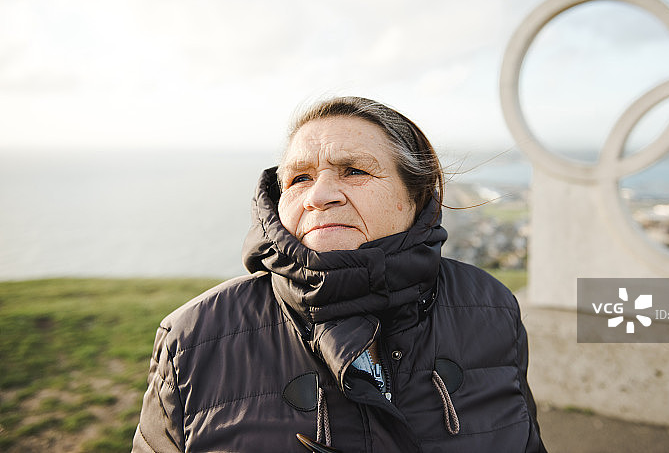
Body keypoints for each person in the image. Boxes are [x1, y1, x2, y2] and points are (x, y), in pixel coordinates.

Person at [132, 96, 547, 452]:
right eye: (299, 179)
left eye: (354, 170)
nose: (319, 195)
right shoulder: (190, 339)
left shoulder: (491, 308)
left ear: (415, 196)